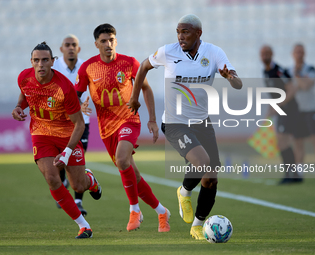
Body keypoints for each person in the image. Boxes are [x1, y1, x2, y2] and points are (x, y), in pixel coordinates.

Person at [127, 14, 242, 240]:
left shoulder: (214, 53)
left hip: (201, 122)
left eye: (186, 32)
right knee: (202, 162)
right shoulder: (168, 51)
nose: (180, 36)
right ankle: (185, 191)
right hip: (175, 123)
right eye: (178, 32)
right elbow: (143, 66)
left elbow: (238, 83)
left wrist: (230, 78)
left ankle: (197, 225)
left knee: (211, 178)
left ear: (198, 33)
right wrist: (134, 97)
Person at [75, 23, 170, 232]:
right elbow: (77, 93)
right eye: (103, 41)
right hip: (106, 128)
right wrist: (80, 103)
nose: (108, 44)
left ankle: (134, 210)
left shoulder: (129, 63)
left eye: (111, 40)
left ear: (115, 41)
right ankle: (162, 212)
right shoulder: (88, 68)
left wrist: (152, 119)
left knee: (121, 159)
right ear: (96, 44)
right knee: (133, 175)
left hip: (129, 120)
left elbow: (146, 89)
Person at [11, 42, 102, 239]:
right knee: (52, 178)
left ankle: (90, 181)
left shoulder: (64, 87)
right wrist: (19, 106)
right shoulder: (23, 77)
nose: (41, 64)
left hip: (67, 136)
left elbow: (79, 124)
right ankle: (84, 226)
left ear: (53, 62)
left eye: (45, 60)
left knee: (79, 186)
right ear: (31, 62)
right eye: (37, 60)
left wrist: (67, 152)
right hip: (41, 134)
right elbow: (25, 94)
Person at [52, 34, 90, 215]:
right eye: (67, 45)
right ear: (61, 49)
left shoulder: (86, 67)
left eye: (74, 44)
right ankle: (63, 180)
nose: (71, 48)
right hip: (60, 122)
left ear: (79, 48)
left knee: (78, 161)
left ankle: (77, 201)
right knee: (59, 161)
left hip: (82, 121)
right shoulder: (54, 67)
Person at [260, 45, 306, 184]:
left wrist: (279, 104)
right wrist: (268, 113)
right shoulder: (266, 72)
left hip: (289, 110)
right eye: (263, 54)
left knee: (284, 141)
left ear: (272, 54)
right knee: (282, 142)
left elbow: (292, 89)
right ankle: (292, 174)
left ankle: (291, 175)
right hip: (281, 111)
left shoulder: (279, 71)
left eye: (267, 53)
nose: (265, 56)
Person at [289, 43, 315, 174]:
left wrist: (298, 77)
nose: (299, 54)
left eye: (301, 52)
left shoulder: (310, 69)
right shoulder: (289, 71)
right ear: (292, 54)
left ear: (304, 53)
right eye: (296, 52)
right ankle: (299, 170)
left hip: (311, 109)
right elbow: (290, 90)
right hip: (297, 111)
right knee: (298, 141)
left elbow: (306, 86)